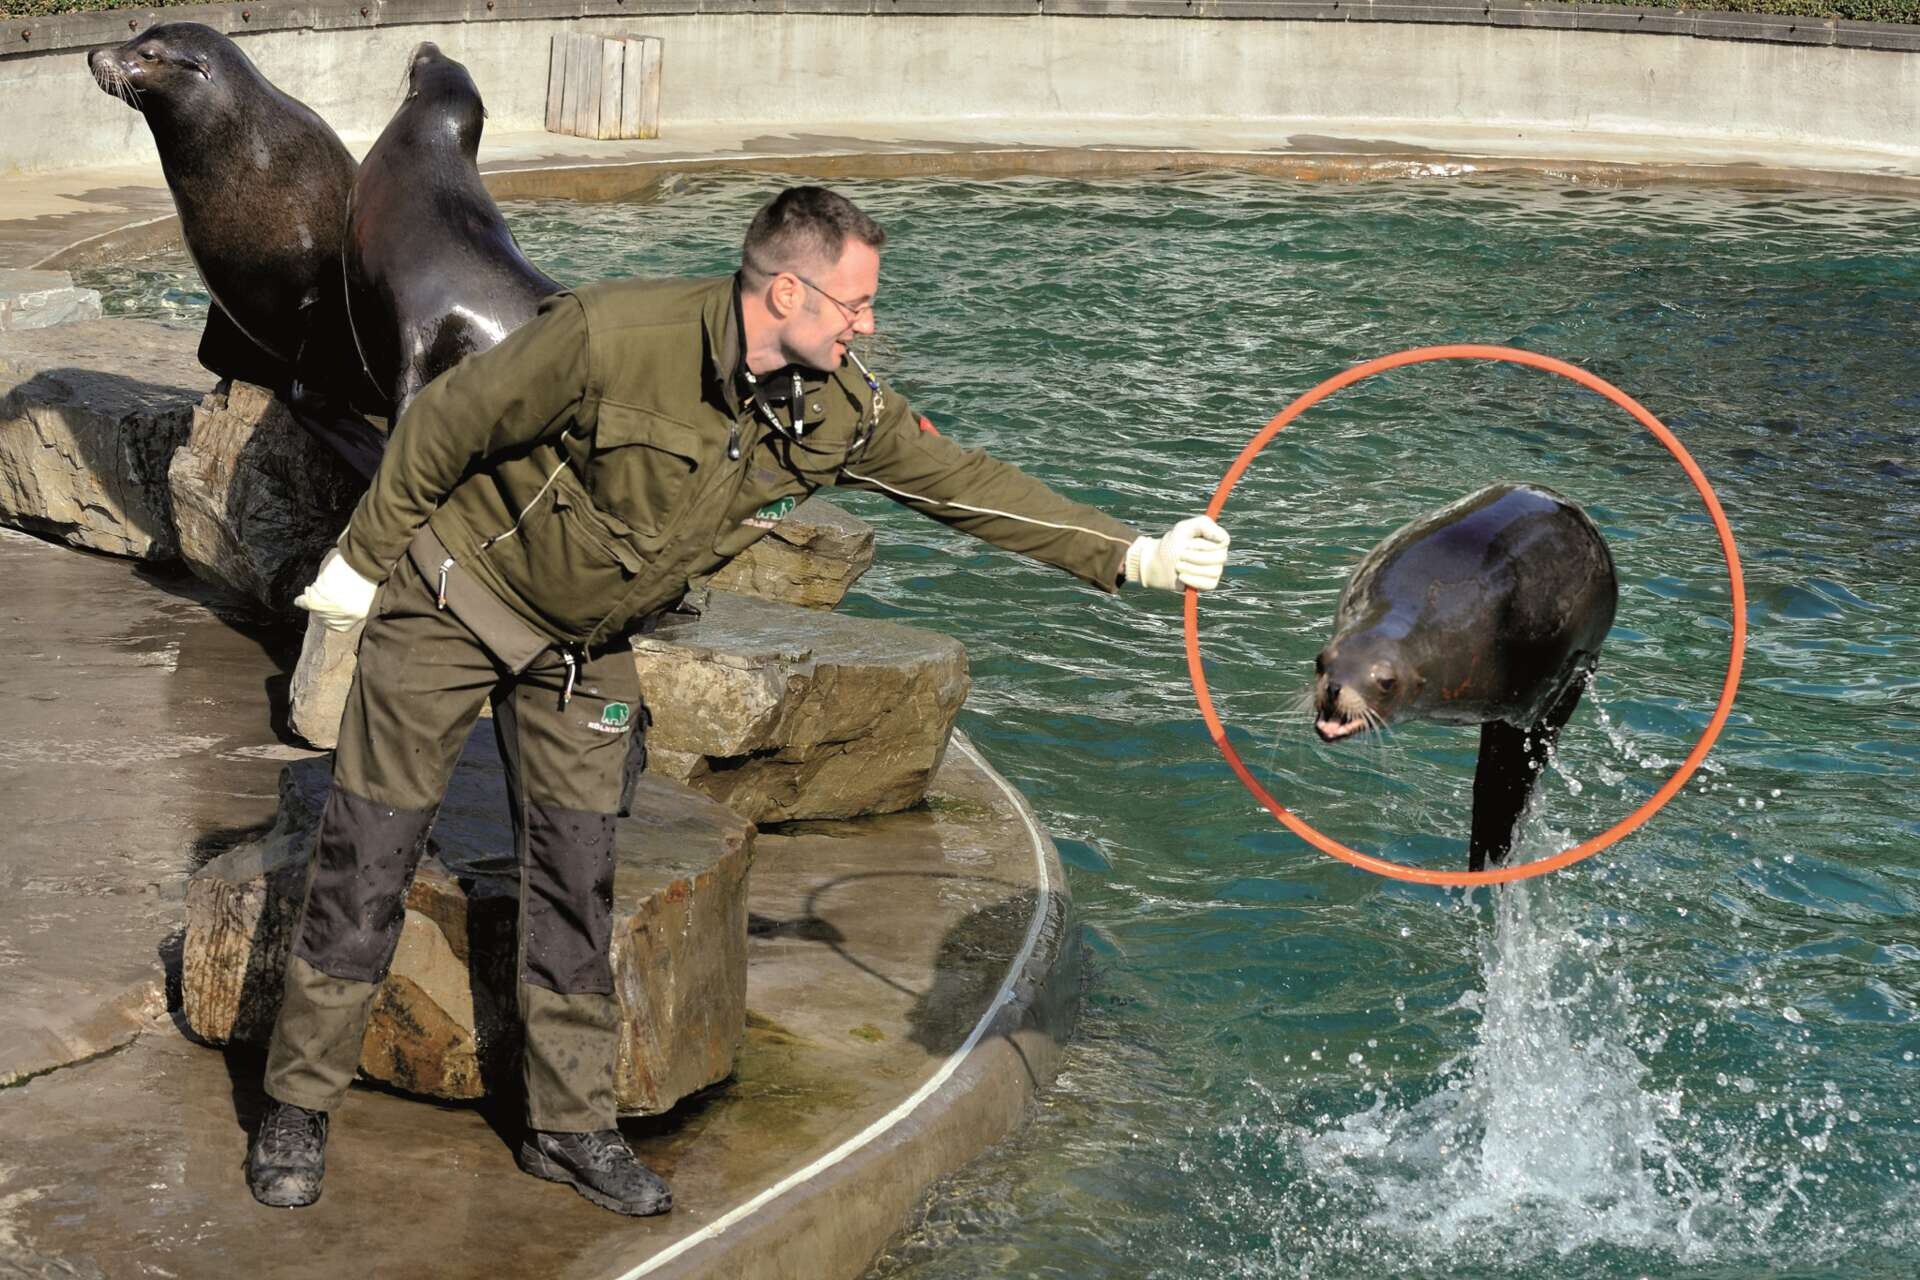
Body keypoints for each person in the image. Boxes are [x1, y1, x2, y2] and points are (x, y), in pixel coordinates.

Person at [245, 185, 1232, 1215]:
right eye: (853, 303)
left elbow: (961, 483)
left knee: (578, 883)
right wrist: (360, 564)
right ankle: (297, 1104)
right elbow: (447, 420)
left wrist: (1133, 553)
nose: (867, 323)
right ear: (788, 290)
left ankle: (569, 1125)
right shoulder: (611, 334)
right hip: (457, 600)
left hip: (586, 652)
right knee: (371, 851)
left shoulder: (836, 404)